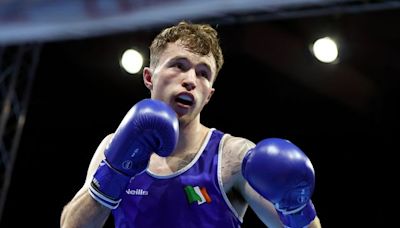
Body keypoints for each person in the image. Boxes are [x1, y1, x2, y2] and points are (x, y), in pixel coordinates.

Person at [60, 21, 322, 228]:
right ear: (149, 77)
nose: (190, 80)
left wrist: (297, 207)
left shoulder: (232, 157)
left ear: (209, 94)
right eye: (179, 65)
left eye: (203, 72)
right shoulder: (114, 145)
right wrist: (114, 173)